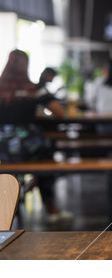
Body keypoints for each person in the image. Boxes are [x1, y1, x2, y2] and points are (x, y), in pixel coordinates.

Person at [0, 49, 67, 221]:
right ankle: (50, 208)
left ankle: (7, 211)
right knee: (47, 156)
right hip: (27, 145)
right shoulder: (34, 88)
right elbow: (59, 112)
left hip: (3, 148)